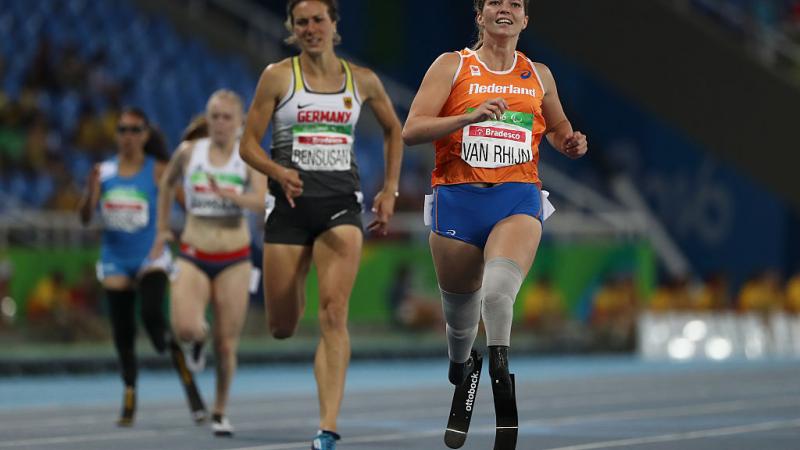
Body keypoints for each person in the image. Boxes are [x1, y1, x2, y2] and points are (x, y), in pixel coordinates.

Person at [402, 0, 588, 426]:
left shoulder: (539, 75)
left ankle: (501, 372)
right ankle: (463, 367)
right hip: (458, 201)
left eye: (514, 4)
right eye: (494, 3)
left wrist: (570, 143)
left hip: (516, 197)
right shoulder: (452, 65)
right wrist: (468, 116)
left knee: (499, 291)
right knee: (460, 324)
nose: (505, 9)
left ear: (525, 19)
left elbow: (558, 130)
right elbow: (411, 129)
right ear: (480, 16)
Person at [239, 1, 403, 448]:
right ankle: (300, 272)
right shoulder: (278, 76)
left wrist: (389, 188)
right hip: (289, 208)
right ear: (292, 29)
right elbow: (248, 145)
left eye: (318, 20)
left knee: (334, 314)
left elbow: (394, 129)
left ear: (334, 25)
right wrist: (276, 172)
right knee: (282, 325)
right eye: (302, 22)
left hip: (339, 205)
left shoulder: (361, 80)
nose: (311, 28)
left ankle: (328, 426)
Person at [78, 107, 206, 426]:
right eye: (122, 130)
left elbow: (188, 206)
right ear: (116, 135)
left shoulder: (158, 170)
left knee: (152, 317)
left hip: (151, 256)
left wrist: (186, 234)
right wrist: (90, 191)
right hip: (116, 259)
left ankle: (188, 381)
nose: (128, 137)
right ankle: (130, 394)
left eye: (135, 130)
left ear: (146, 135)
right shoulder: (103, 171)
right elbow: (84, 218)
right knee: (123, 332)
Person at [150, 90, 267, 437]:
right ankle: (196, 339)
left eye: (226, 117)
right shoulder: (189, 153)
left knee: (227, 343)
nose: (219, 123)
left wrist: (234, 196)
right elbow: (167, 184)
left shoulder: (247, 158)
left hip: (234, 258)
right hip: (195, 253)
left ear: (239, 122)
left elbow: (261, 201)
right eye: (214, 116)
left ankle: (219, 410)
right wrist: (161, 229)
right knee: (185, 327)